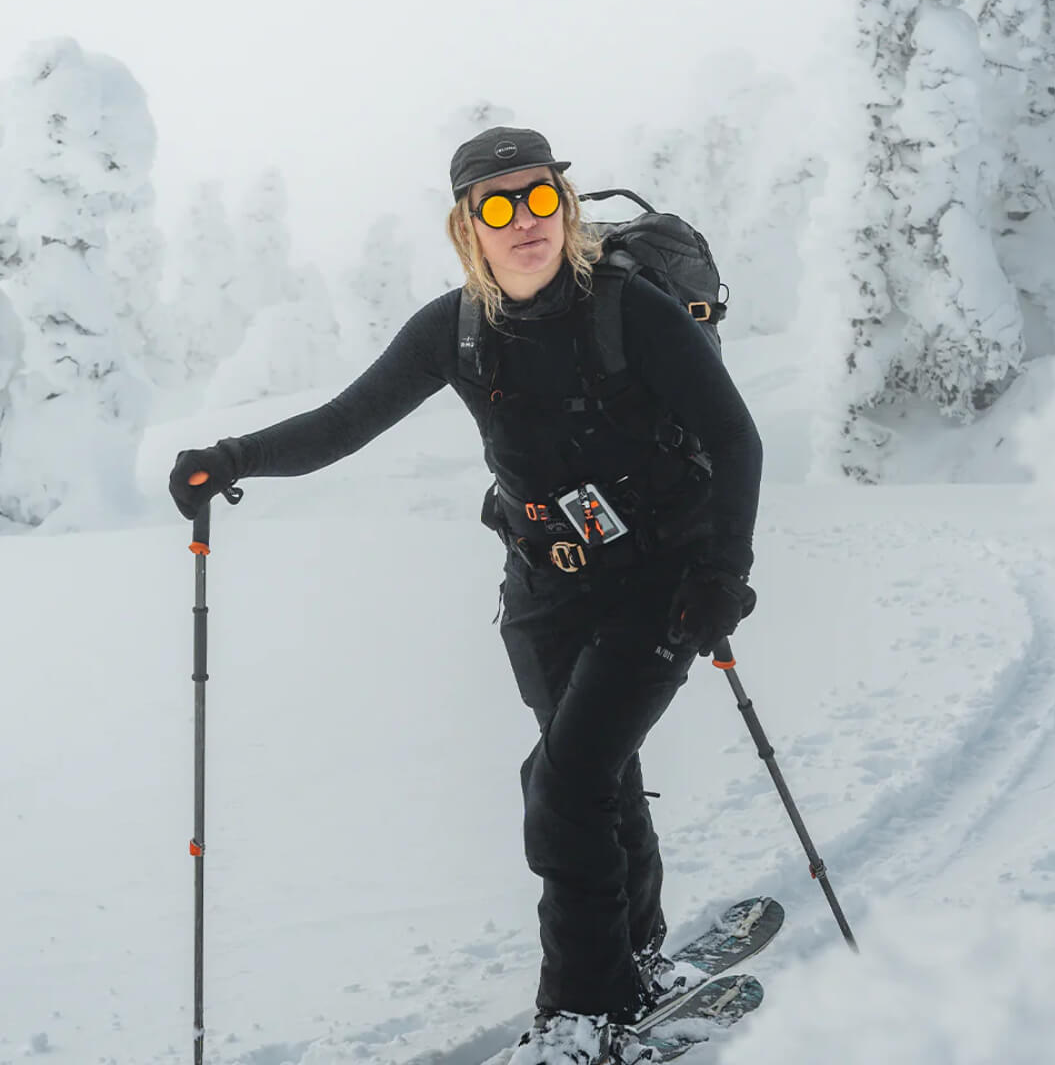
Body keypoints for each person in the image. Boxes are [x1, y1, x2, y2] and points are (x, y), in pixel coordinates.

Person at [169, 126, 762, 1065]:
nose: (523, 219)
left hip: (660, 582)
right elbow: (342, 424)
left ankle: (582, 1013)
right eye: (497, 204)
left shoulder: (632, 310)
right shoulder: (454, 328)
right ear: (466, 228)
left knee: (561, 785)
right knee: (584, 771)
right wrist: (228, 461)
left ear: (563, 207)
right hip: (541, 591)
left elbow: (736, 441)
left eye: (538, 197)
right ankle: (635, 957)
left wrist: (725, 571)